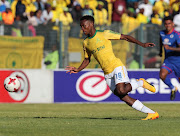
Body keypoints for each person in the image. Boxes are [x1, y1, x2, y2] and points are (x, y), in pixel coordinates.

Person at [66, 15, 159, 120]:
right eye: (81, 26)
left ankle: (141, 83)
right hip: (107, 73)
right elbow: (87, 59)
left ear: (91, 24)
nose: (82, 29)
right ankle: (151, 113)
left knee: (122, 90)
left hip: (116, 66)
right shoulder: (86, 42)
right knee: (123, 97)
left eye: (84, 26)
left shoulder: (104, 34)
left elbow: (125, 37)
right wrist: (78, 69)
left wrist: (142, 44)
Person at [159, 16, 180, 100]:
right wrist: (160, 51)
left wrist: (170, 48)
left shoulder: (177, 35)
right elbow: (161, 42)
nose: (167, 25)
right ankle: (172, 88)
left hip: (178, 61)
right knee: (162, 75)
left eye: (169, 24)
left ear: (173, 24)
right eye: (166, 24)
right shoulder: (162, 33)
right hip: (168, 61)